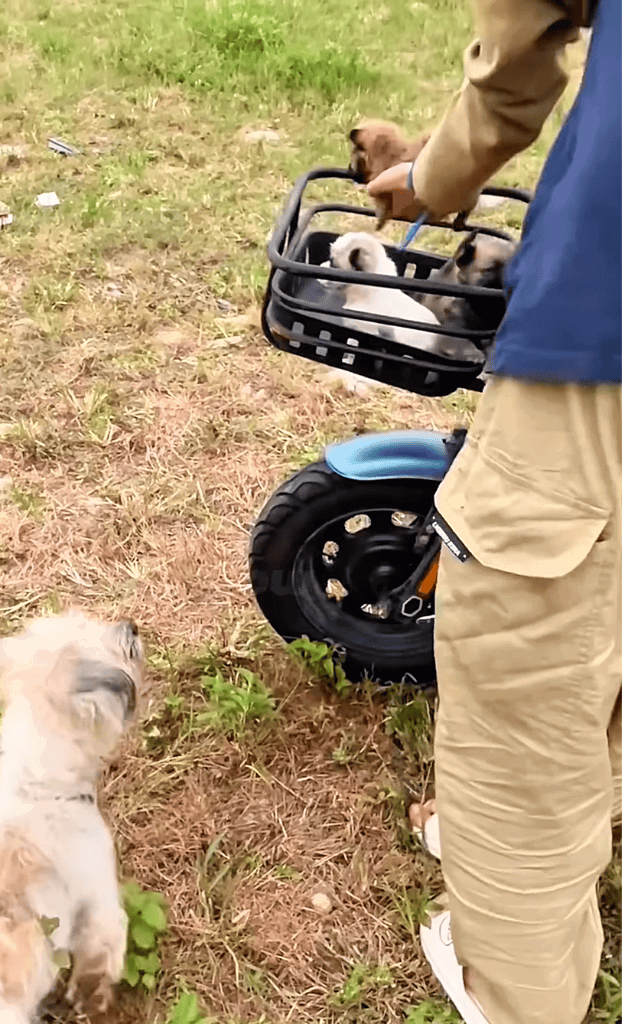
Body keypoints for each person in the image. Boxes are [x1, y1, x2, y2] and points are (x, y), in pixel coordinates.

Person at [365, 2, 621, 1023]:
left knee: (528, 692)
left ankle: (515, 993)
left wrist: (433, 179)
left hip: (603, 332)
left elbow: (519, 54)